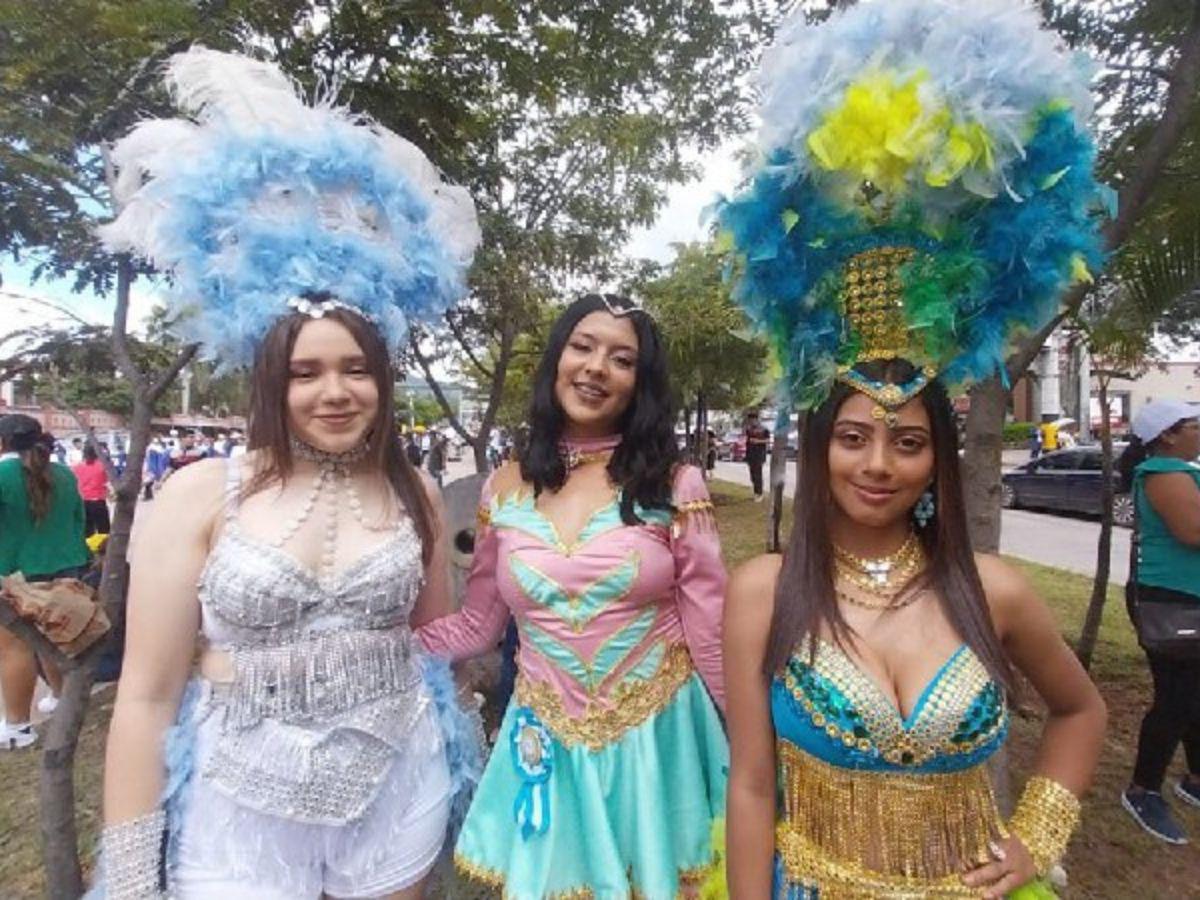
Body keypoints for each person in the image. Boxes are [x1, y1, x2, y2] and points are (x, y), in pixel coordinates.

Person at [716, 2, 1109, 895]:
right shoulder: (764, 592)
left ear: (937, 460)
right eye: (852, 437)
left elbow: (1081, 711)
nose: (878, 464)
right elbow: (749, 782)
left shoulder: (995, 591)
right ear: (818, 453)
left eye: (906, 441)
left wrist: (1035, 839)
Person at [92, 46, 482, 898]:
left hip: (398, 788)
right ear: (272, 379)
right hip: (238, 812)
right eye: (306, 372)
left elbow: (437, 648)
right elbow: (147, 697)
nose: (335, 392)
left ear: (383, 379)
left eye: (357, 369)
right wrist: (128, 875)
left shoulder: (412, 487)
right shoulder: (201, 494)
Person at [418, 293, 729, 898]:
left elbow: (709, 629)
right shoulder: (504, 487)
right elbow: (479, 625)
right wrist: (382, 645)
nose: (594, 367)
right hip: (548, 745)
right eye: (582, 347)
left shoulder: (673, 483)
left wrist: (755, 740)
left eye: (621, 359)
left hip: (658, 745)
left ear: (640, 384)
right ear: (557, 359)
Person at [1118, 399, 1200, 844]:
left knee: (1194, 695)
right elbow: (1194, 533)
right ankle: (1143, 789)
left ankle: (1195, 781)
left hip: (1188, 598)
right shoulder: (1164, 473)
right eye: (1193, 424)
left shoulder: (1184, 470)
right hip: (1171, 602)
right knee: (1176, 699)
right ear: (1167, 435)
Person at [0, 414, 86, 749]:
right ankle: (60, 698)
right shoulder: (64, 473)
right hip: (67, 569)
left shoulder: (3, 476)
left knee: (14, 648)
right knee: (53, 638)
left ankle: (18, 727)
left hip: (16, 573)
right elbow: (79, 519)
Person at [72, 442, 111, 537]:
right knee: (103, 529)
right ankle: (103, 549)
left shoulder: (76, 468)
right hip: (98, 501)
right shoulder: (103, 466)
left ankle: (89, 549)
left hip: (83, 501)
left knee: (87, 529)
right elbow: (107, 481)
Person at [744, 410, 770, 502]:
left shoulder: (764, 429)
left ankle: (759, 493)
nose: (751, 422)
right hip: (750, 454)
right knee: (752, 475)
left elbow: (768, 440)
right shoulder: (748, 429)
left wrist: (758, 441)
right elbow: (747, 442)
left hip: (759, 454)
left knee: (758, 474)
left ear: (756, 419)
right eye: (750, 420)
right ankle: (756, 492)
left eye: (753, 420)